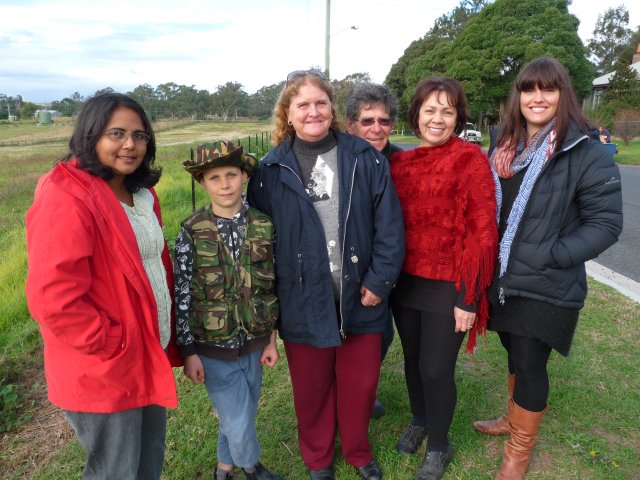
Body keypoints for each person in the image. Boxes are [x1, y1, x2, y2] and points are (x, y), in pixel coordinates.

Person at [247, 70, 405, 480]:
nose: (313, 111)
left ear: (332, 108)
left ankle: (356, 450)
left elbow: (390, 228)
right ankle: (318, 458)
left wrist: (378, 281)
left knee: (360, 385)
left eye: (320, 102)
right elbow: (260, 243)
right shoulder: (269, 169)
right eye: (303, 104)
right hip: (302, 298)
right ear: (289, 113)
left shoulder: (363, 158)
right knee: (312, 389)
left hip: (360, 295)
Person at [473, 56, 623, 480]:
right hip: (502, 276)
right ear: (517, 95)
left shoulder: (586, 150)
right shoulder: (503, 145)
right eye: (529, 89)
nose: (537, 98)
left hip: (547, 280)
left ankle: (518, 453)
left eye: (548, 89)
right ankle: (511, 417)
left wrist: (553, 254)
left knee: (530, 360)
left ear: (563, 95)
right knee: (512, 351)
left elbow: (606, 224)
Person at [25, 92, 181, 479]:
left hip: (146, 353)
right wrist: (112, 342)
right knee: (116, 471)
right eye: (117, 133)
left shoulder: (141, 193)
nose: (130, 144)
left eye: (140, 135)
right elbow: (52, 297)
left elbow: (154, 264)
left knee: (147, 465)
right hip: (107, 365)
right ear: (91, 135)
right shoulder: (66, 193)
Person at [389, 77, 498, 480]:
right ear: (416, 113)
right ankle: (420, 419)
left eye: (447, 111)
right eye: (430, 110)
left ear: (458, 117)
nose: (438, 119)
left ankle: (439, 444)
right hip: (405, 284)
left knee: (436, 368)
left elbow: (483, 232)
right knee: (413, 362)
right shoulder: (399, 163)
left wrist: (469, 298)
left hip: (450, 285)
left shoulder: (470, 159)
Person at [175, 140, 283, 480]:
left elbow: (274, 284)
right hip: (211, 347)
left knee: (242, 413)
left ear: (244, 176)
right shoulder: (191, 230)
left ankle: (224, 469)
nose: (224, 184)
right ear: (202, 183)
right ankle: (252, 467)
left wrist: (271, 339)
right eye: (214, 177)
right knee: (236, 416)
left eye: (232, 175)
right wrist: (188, 351)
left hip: (254, 341)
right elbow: (181, 292)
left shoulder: (264, 224)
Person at [344, 81, 401, 419]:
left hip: (390, 266)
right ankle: (345, 395)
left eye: (384, 121)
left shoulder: (403, 162)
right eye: (368, 121)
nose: (376, 128)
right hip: (347, 268)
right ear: (351, 124)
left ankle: (363, 389)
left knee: (382, 335)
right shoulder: (339, 160)